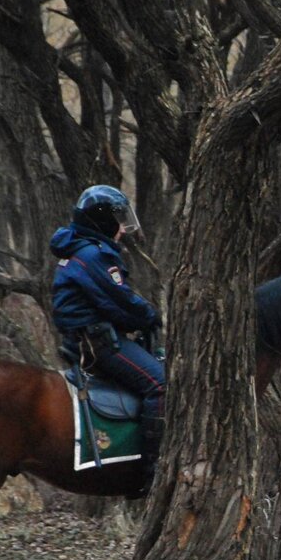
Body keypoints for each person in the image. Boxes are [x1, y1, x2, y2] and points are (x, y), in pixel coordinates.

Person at [50, 184, 165, 497]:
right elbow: (120, 301)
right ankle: (155, 473)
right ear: (102, 221)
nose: (122, 228)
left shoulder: (82, 249)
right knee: (159, 382)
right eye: (117, 219)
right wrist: (151, 316)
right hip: (97, 344)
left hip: (89, 338)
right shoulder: (93, 255)